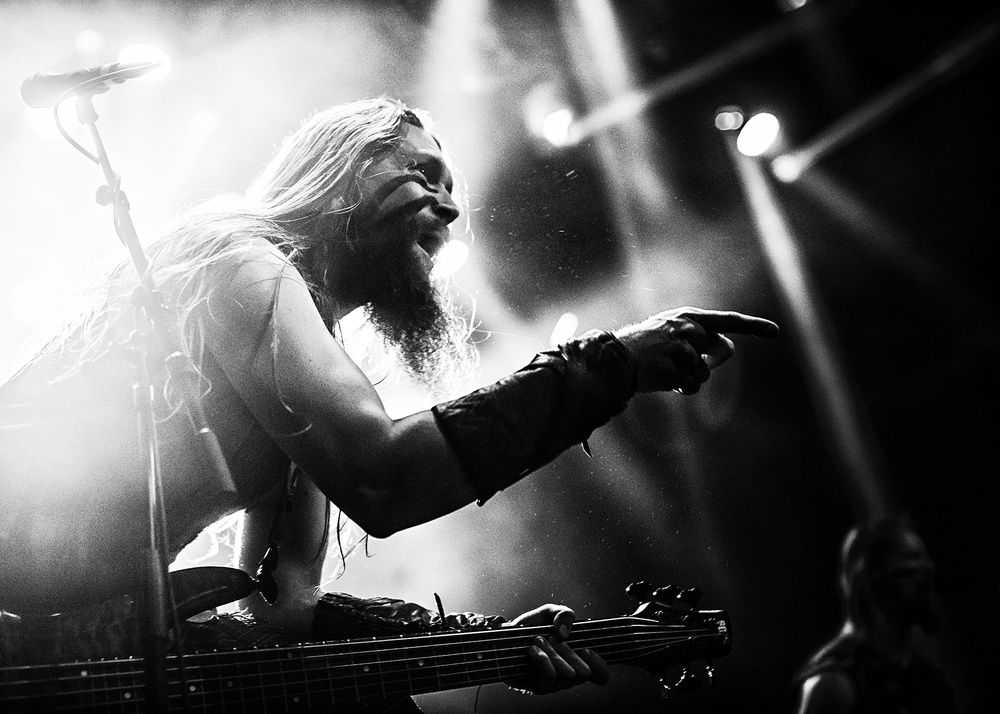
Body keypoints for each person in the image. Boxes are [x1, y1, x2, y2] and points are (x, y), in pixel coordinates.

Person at [0, 97, 778, 705]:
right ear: (344, 172)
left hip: (59, 640)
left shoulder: (307, 368)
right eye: (424, 175)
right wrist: (606, 367)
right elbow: (384, 478)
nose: (450, 209)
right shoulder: (241, 263)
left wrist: (488, 643)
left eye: (452, 191)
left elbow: (282, 610)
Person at [792, 516, 960, 714]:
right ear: (873, 573)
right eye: (912, 558)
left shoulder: (925, 679)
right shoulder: (836, 684)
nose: (928, 568)